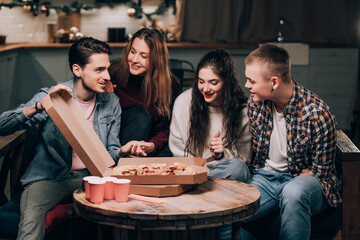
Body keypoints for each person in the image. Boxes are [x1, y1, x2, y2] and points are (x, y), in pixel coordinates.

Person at [0, 37, 123, 240]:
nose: (107, 76)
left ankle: (67, 211)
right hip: (51, 177)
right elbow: (3, 126)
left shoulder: (111, 101)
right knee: (30, 225)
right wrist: (41, 105)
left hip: (92, 178)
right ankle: (68, 210)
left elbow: (110, 153)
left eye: (107, 69)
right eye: (99, 70)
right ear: (77, 70)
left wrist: (122, 152)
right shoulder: (53, 95)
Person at [240, 43, 341, 240]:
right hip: (264, 177)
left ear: (274, 82)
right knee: (223, 218)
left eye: (251, 81)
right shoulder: (255, 103)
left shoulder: (317, 113)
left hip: (302, 182)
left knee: (293, 192)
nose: (247, 85)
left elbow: (321, 171)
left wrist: (306, 175)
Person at [169, 49, 251, 182]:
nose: (205, 89)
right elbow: (178, 150)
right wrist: (200, 173)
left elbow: (243, 160)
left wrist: (221, 155)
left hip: (225, 173)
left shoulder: (243, 111)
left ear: (227, 83)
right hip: (191, 171)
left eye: (213, 83)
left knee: (238, 168)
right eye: (201, 82)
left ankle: (203, 192)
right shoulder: (183, 102)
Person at [109, 27, 180, 157]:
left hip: (148, 145)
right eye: (132, 51)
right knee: (140, 115)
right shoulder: (113, 74)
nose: (135, 60)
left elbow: (165, 129)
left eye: (143, 56)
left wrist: (152, 145)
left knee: (173, 152)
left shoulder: (170, 85)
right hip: (117, 145)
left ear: (156, 59)